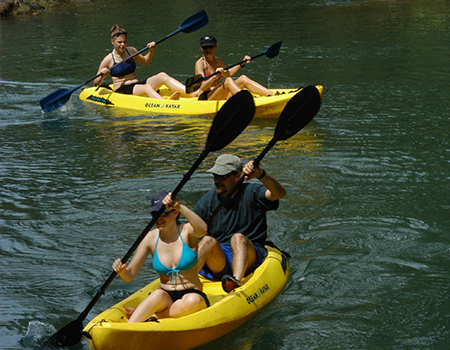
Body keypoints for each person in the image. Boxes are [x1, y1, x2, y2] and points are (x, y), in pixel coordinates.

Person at [193, 154, 286, 293]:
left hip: (250, 253)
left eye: (223, 176)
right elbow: (189, 232)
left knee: (237, 238)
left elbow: (279, 193)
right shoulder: (206, 201)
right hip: (220, 258)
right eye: (215, 176)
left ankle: (235, 281)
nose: (217, 180)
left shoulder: (252, 192)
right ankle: (183, 283)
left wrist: (261, 174)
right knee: (206, 241)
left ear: (237, 176)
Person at [112, 191, 209, 323]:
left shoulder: (187, 231)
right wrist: (121, 271)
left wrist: (179, 206)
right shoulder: (150, 238)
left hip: (192, 293)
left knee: (193, 301)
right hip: (165, 295)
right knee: (157, 294)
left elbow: (203, 229)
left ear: (175, 213)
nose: (159, 218)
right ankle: (129, 328)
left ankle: (154, 316)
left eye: (164, 213)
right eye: (155, 214)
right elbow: (129, 275)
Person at [94, 25, 197, 100]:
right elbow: (95, 83)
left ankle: (192, 93)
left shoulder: (131, 50)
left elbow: (145, 62)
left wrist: (151, 50)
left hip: (137, 85)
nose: (122, 45)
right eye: (119, 42)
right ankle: (166, 104)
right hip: (122, 89)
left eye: (124, 42)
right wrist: (102, 76)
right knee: (147, 87)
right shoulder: (108, 59)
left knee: (162, 75)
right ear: (113, 42)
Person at [194, 35, 276, 101]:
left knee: (243, 78)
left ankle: (273, 94)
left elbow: (228, 73)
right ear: (201, 48)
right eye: (205, 47)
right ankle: (246, 100)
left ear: (215, 47)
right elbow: (201, 87)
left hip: (220, 94)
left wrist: (241, 63)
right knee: (228, 81)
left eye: (210, 47)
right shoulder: (200, 64)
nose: (208, 50)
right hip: (207, 97)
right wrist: (214, 77)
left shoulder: (217, 61)